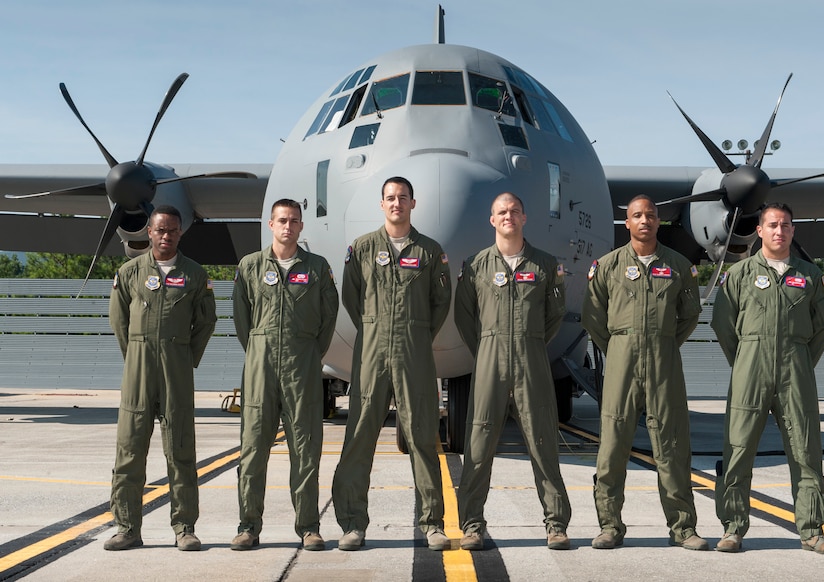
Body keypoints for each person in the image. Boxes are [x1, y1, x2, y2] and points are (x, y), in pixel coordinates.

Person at [331, 176, 452, 551]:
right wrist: (376, 327)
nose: (396, 203)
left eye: (403, 197)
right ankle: (353, 524)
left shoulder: (430, 251)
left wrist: (413, 335)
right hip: (371, 353)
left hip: (414, 353)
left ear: (413, 203)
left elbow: (440, 303)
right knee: (360, 436)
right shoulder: (363, 248)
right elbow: (352, 297)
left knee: (421, 437)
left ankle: (432, 523)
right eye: (390, 198)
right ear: (381, 204)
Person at [711, 202, 824, 554]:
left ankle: (812, 530)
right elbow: (723, 324)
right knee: (738, 450)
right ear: (760, 231)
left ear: (793, 231)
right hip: (749, 369)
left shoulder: (810, 276)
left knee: (806, 451)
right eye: (772, 225)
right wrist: (745, 361)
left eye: (785, 225)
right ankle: (733, 528)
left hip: (795, 371)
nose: (779, 231)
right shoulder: (738, 275)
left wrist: (799, 360)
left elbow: (823, 325)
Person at [582, 194, 708, 551]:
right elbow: (593, 316)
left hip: (664, 357)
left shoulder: (679, 265)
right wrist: (619, 347)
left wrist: (664, 343)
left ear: (657, 221)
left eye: (651, 215)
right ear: (627, 223)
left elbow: (690, 314)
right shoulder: (607, 266)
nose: (644, 221)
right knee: (612, 444)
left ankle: (683, 528)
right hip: (622, 356)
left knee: (671, 443)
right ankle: (609, 526)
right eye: (637, 215)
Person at [454, 192, 572, 551]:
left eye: (514, 211)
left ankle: (556, 525)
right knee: (478, 445)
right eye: (502, 212)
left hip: (531, 359)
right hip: (489, 359)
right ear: (492, 220)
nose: (508, 217)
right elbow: (465, 317)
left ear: (524, 218)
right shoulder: (475, 265)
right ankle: (472, 525)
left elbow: (555, 314)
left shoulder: (546, 265)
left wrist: (529, 341)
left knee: (543, 442)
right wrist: (489, 346)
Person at [104, 205, 217, 551]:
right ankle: (126, 527)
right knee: (129, 450)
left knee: (181, 449)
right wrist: (135, 354)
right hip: (138, 370)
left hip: (176, 370)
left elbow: (207, 321)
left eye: (172, 230)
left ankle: (184, 527)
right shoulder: (129, 272)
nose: (165, 236)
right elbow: (118, 320)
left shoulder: (195, 275)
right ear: (148, 232)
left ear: (180, 233)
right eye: (159, 230)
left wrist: (184, 356)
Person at [229, 199, 339, 551]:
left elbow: (328, 318)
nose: (288, 226)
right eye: (281, 221)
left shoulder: (318, 268)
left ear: (301, 226)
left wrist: (306, 351)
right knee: (252, 448)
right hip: (260, 365)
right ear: (270, 225)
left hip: (302, 364)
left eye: (294, 221)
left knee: (305, 449)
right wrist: (260, 348)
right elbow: (242, 319)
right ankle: (248, 527)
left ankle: (308, 527)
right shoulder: (250, 266)